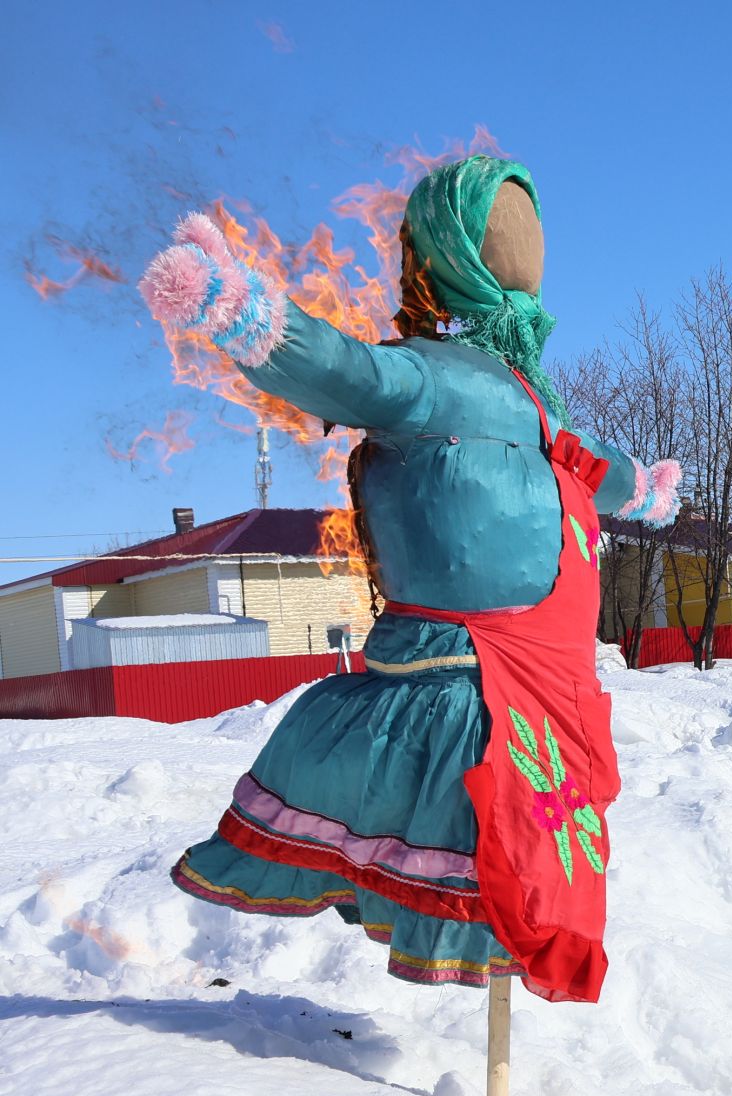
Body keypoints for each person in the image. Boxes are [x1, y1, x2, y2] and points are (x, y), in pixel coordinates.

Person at [141, 156, 681, 1004]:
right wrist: (245, 316)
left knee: (549, 852)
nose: (527, 248)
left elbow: (586, 464)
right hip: (465, 673)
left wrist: (640, 490)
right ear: (452, 254)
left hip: (554, 680)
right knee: (505, 845)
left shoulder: (532, 399)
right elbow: (350, 372)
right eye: (505, 228)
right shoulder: (428, 377)